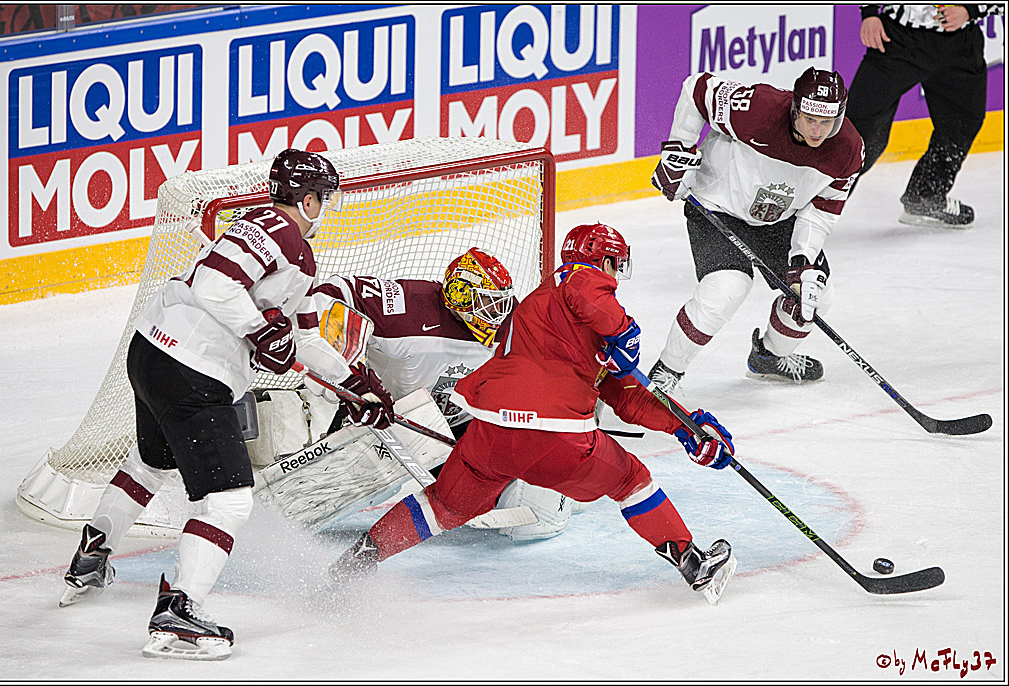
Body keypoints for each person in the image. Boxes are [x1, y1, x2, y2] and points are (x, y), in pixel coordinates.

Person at [59, 148, 389, 661]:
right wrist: (261, 331)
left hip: (153, 351)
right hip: (191, 369)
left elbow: (299, 336)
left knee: (151, 462)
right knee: (230, 498)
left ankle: (93, 552)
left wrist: (355, 382)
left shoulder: (264, 230)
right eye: (324, 199)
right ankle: (179, 614)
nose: (326, 207)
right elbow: (217, 285)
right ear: (308, 199)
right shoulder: (284, 234)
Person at [328, 223, 739, 602]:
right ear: (607, 261)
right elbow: (581, 285)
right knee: (631, 479)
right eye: (614, 266)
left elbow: (626, 394)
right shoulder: (577, 283)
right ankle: (692, 563)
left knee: (445, 505)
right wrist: (621, 328)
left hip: (489, 431)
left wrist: (685, 427)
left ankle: (360, 557)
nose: (615, 277)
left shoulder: (539, 314)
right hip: (553, 432)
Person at [264, 248, 587, 541]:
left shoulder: (513, 322)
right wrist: (342, 359)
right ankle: (266, 527)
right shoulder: (407, 306)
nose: (498, 312)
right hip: (387, 416)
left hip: (463, 427)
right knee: (322, 492)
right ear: (461, 297)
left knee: (527, 515)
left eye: (500, 301)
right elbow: (334, 292)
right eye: (488, 302)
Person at [646, 67, 864, 395]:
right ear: (794, 109)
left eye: (827, 122)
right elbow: (697, 90)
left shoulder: (847, 150)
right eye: (809, 119)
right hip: (717, 205)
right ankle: (665, 374)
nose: (818, 131)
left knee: (813, 296)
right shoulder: (757, 108)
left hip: (778, 218)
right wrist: (678, 152)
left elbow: (822, 210)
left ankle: (768, 358)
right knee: (726, 289)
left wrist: (803, 257)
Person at [845, 4, 1001, 228]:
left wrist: (970, 9)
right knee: (861, 134)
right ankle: (809, 207)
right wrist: (869, 13)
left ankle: (925, 196)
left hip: (960, 44)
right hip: (897, 40)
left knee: (962, 123)